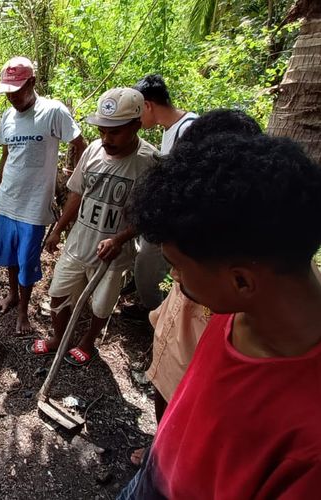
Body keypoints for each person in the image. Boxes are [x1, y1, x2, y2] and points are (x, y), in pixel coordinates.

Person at [118, 133, 321, 498]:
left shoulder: (310, 443)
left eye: (177, 267)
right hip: (153, 477)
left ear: (241, 280)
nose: (174, 280)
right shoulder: (240, 306)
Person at [129, 109, 263, 466]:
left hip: (205, 354)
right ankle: (162, 450)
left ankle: (175, 459)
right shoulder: (199, 250)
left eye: (177, 267)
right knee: (167, 382)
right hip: (180, 331)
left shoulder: (248, 296)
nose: (173, 275)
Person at [28, 87, 157, 365]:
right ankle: (59, 338)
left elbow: (150, 212)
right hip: (79, 242)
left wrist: (120, 238)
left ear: (136, 125)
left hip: (113, 254)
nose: (106, 138)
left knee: (101, 304)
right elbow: (77, 191)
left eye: (115, 132)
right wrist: (59, 228)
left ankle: (88, 341)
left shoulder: (149, 162)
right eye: (102, 131)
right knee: (58, 293)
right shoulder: (94, 151)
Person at [0, 56, 86, 333]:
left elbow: (81, 144)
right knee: (8, 256)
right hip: (7, 199)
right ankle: (12, 295)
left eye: (17, 90)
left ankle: (23, 312)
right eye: (7, 92)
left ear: (32, 82)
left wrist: (75, 180)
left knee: (27, 260)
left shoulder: (52, 111)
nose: (12, 98)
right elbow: (6, 155)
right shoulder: (7, 116)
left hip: (33, 205)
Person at [125, 74, 199, 318]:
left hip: (177, 219)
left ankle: (155, 314)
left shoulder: (189, 128)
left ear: (148, 104)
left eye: (138, 111)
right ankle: (155, 307)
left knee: (147, 263)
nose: (137, 119)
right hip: (167, 215)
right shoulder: (170, 130)